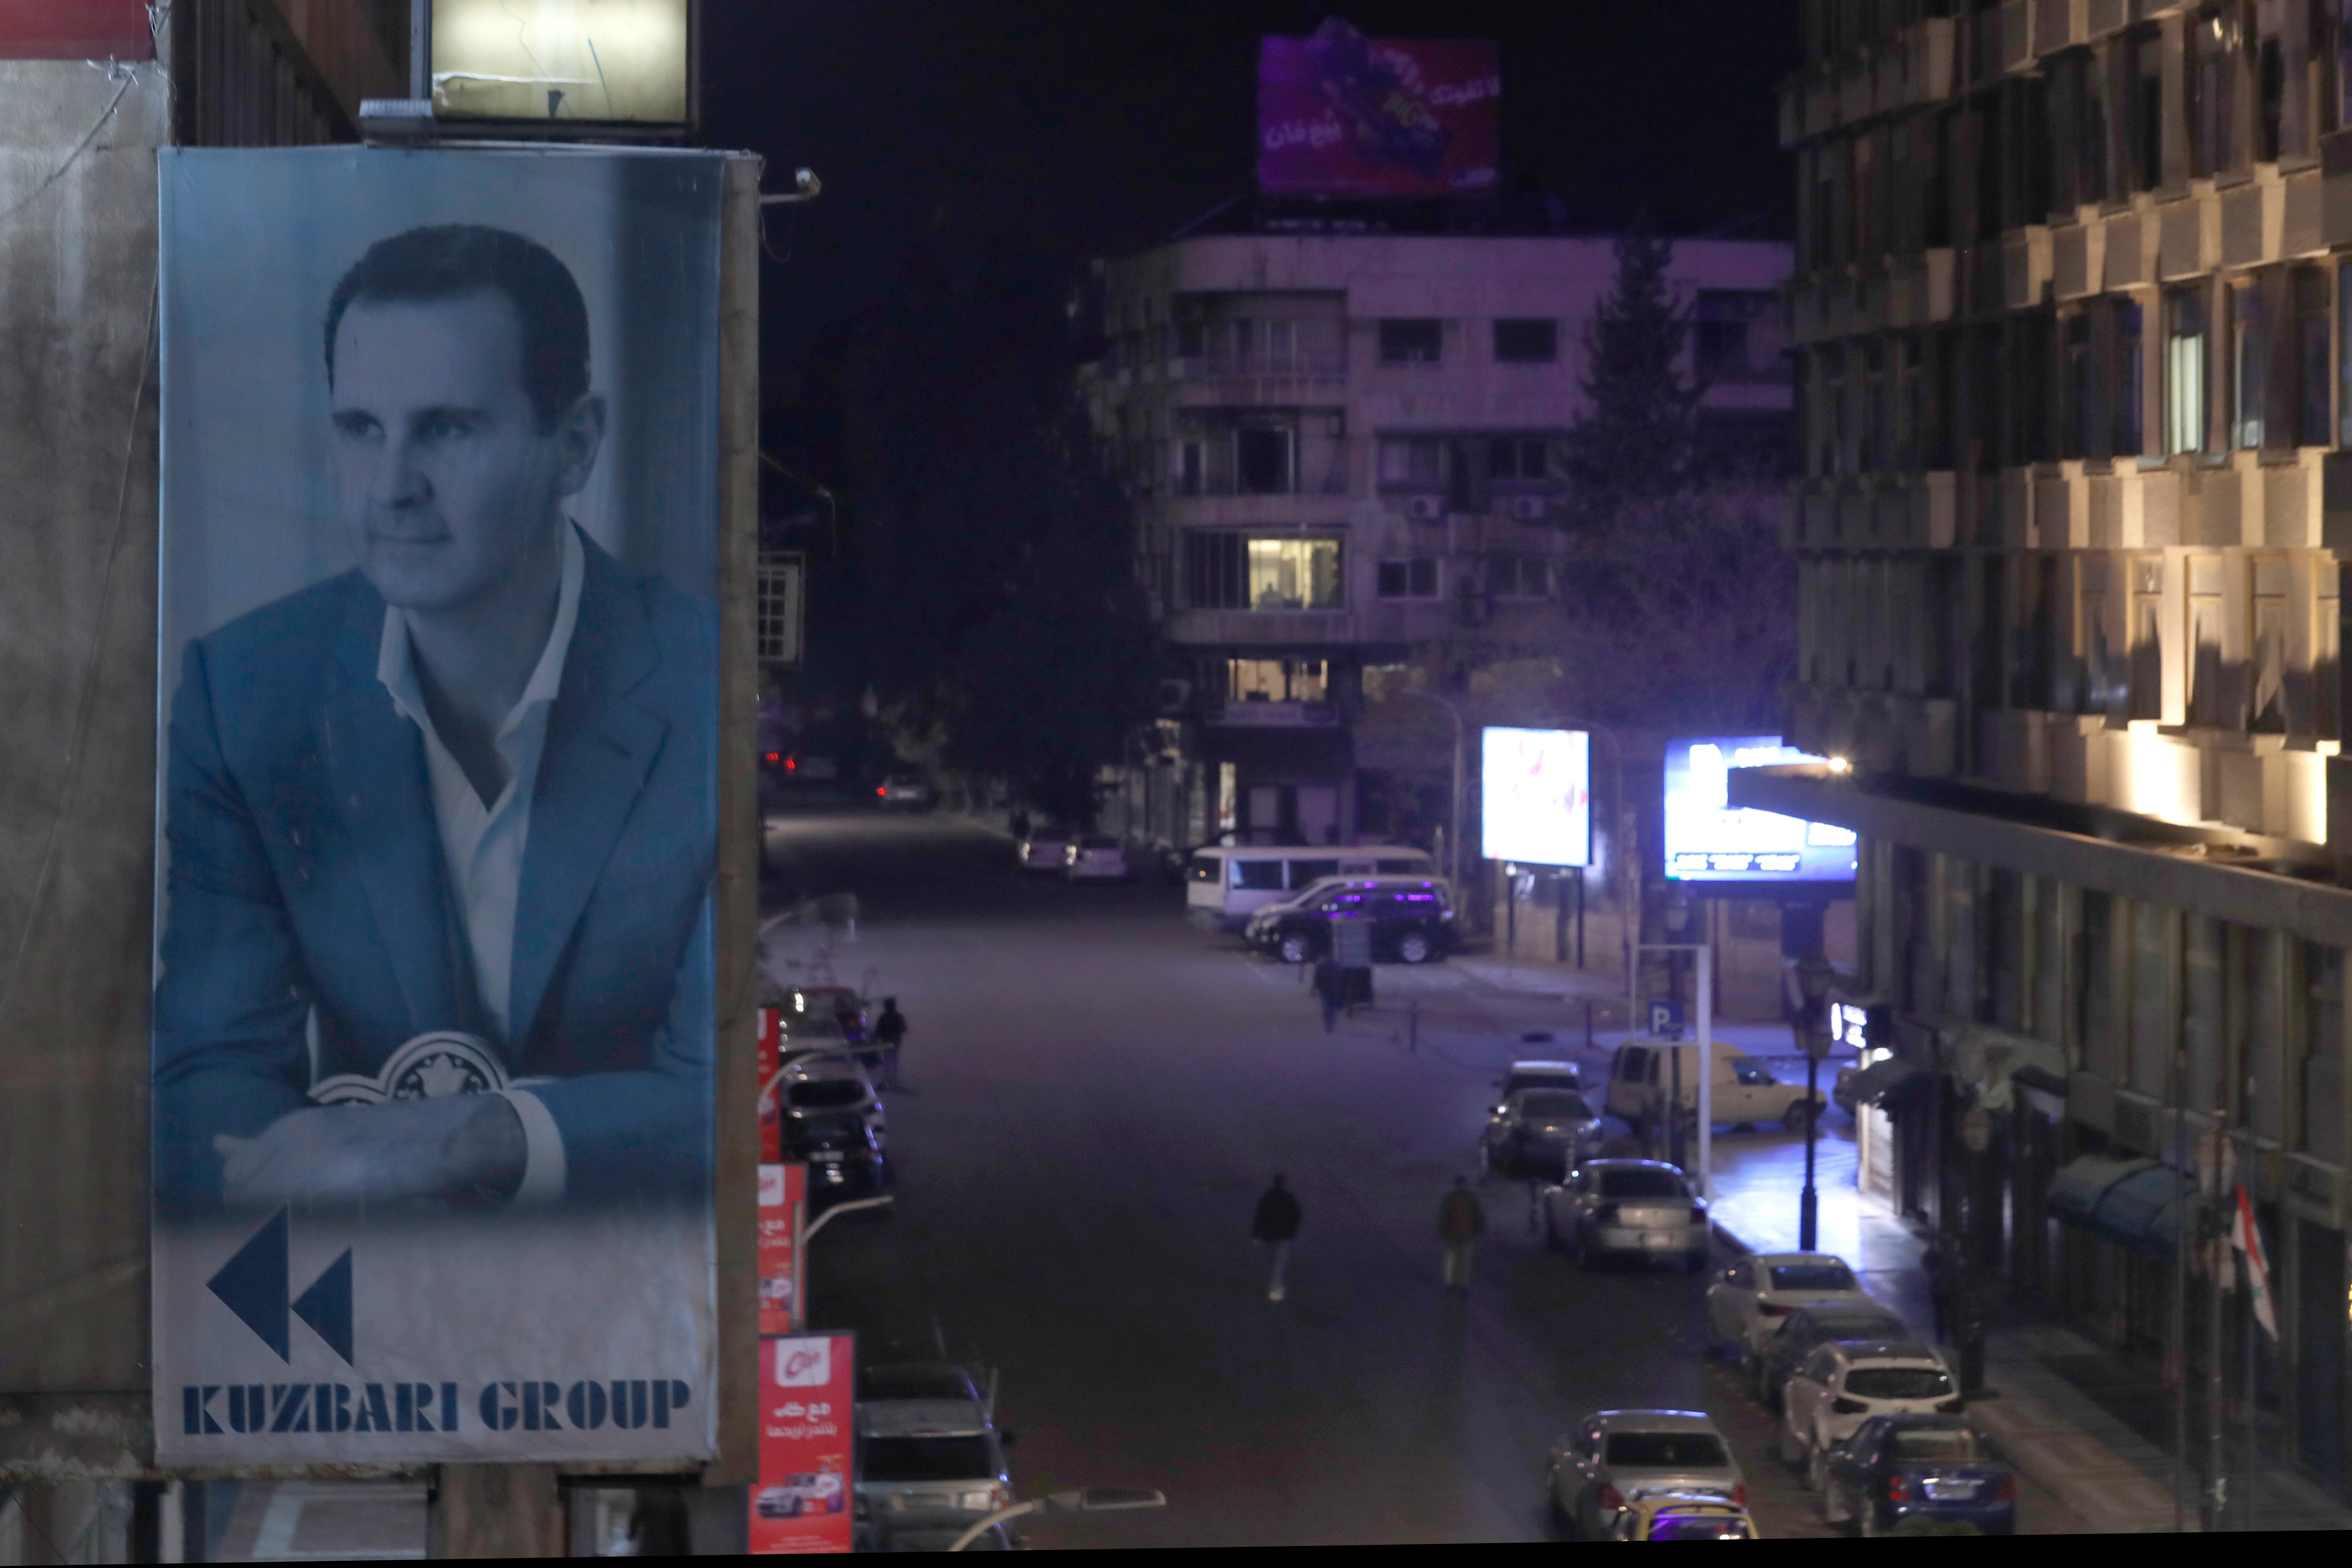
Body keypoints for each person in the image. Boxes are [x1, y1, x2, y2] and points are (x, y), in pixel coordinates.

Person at [153, 224, 716, 1215]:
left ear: (575, 444)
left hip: (644, 1307)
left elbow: (721, 1096)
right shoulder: (244, 692)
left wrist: (486, 1136)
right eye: (361, 427)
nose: (391, 487)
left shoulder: (706, 687)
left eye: (447, 429)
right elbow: (212, 1067)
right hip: (359, 1308)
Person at [1252, 1173, 1302, 1302]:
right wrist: (1291, 1233)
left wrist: (1256, 1234)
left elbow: (1260, 1215)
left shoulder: (1269, 1197)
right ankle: (1274, 1292)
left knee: (1266, 1262)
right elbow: (1296, 1216)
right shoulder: (1289, 1198)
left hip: (1268, 1236)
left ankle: (1263, 1288)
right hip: (1283, 1237)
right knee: (1278, 1266)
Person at [1439, 1176, 1485, 1291]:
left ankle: (1458, 1284)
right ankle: (1455, 1284)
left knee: (1460, 1259)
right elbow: (1444, 1216)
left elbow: (1478, 1215)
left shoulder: (1459, 1198)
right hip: (1456, 1233)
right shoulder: (1457, 1198)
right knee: (1456, 1259)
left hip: (1463, 1233)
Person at [870, 997, 907, 1089]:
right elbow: (905, 1029)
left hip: (886, 1042)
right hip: (895, 1042)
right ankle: (893, 1079)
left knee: (887, 1061)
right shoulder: (899, 1017)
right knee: (894, 1060)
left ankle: (888, 1079)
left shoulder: (883, 1017)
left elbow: (878, 1031)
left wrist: (873, 1039)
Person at [1312, 956, 1341, 1033]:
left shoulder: (1321, 966)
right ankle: (1330, 1025)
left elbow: (1317, 978)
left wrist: (1316, 988)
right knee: (1332, 1009)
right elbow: (1341, 977)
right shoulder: (1336, 965)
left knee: (1327, 1008)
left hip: (1325, 990)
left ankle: (1328, 1025)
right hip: (1334, 990)